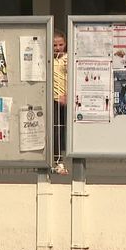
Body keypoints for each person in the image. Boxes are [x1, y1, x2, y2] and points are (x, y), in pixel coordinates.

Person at [52, 29, 68, 174]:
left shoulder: (68, 59)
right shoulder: (49, 60)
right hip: (54, 99)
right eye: (55, 45)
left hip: (67, 98)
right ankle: (58, 161)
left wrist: (67, 94)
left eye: (60, 45)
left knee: (68, 129)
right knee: (56, 129)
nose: (58, 48)